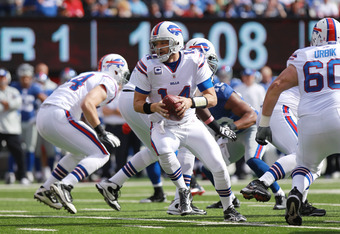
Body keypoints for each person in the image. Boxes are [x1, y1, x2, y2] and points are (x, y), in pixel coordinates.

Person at [96, 21, 245, 222]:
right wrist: (154, 107)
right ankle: (183, 192)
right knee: (163, 151)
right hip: (162, 123)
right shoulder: (147, 64)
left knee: (218, 165)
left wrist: (190, 101)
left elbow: (212, 98)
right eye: (155, 44)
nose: (158, 48)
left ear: (176, 42)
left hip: (190, 122)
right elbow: (138, 103)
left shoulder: (194, 60)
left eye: (162, 43)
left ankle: (229, 209)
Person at [255, 18, 340, 226]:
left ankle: (296, 193)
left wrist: (264, 124)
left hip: (308, 120)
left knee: (305, 165)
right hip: (338, 112)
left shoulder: (302, 55)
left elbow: (276, 85)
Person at [34, 53, 128, 214]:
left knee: (79, 152)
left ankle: (47, 189)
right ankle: (65, 185)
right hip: (60, 114)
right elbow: (87, 104)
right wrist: (101, 132)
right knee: (102, 153)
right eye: (123, 74)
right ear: (116, 71)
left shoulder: (88, 75)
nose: (123, 79)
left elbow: (83, 107)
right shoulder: (109, 81)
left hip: (44, 115)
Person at [240, 87, 326, 216]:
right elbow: (278, 84)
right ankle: (261, 183)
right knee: (302, 154)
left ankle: (300, 202)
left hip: (277, 111)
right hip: (280, 110)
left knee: (313, 161)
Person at [10, 63, 47, 182]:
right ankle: (11, 172)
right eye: (23, 77)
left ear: (31, 77)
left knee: (30, 148)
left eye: (27, 77)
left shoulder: (35, 88)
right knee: (15, 148)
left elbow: (45, 100)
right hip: (15, 122)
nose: (25, 80)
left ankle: (28, 172)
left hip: (31, 121)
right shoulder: (14, 87)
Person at [0, 68, 30, 185]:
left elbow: (15, 104)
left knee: (19, 153)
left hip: (12, 128)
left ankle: (22, 176)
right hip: (0, 127)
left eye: (3, 77)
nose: (1, 80)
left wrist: (5, 103)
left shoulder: (14, 91)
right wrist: (6, 104)